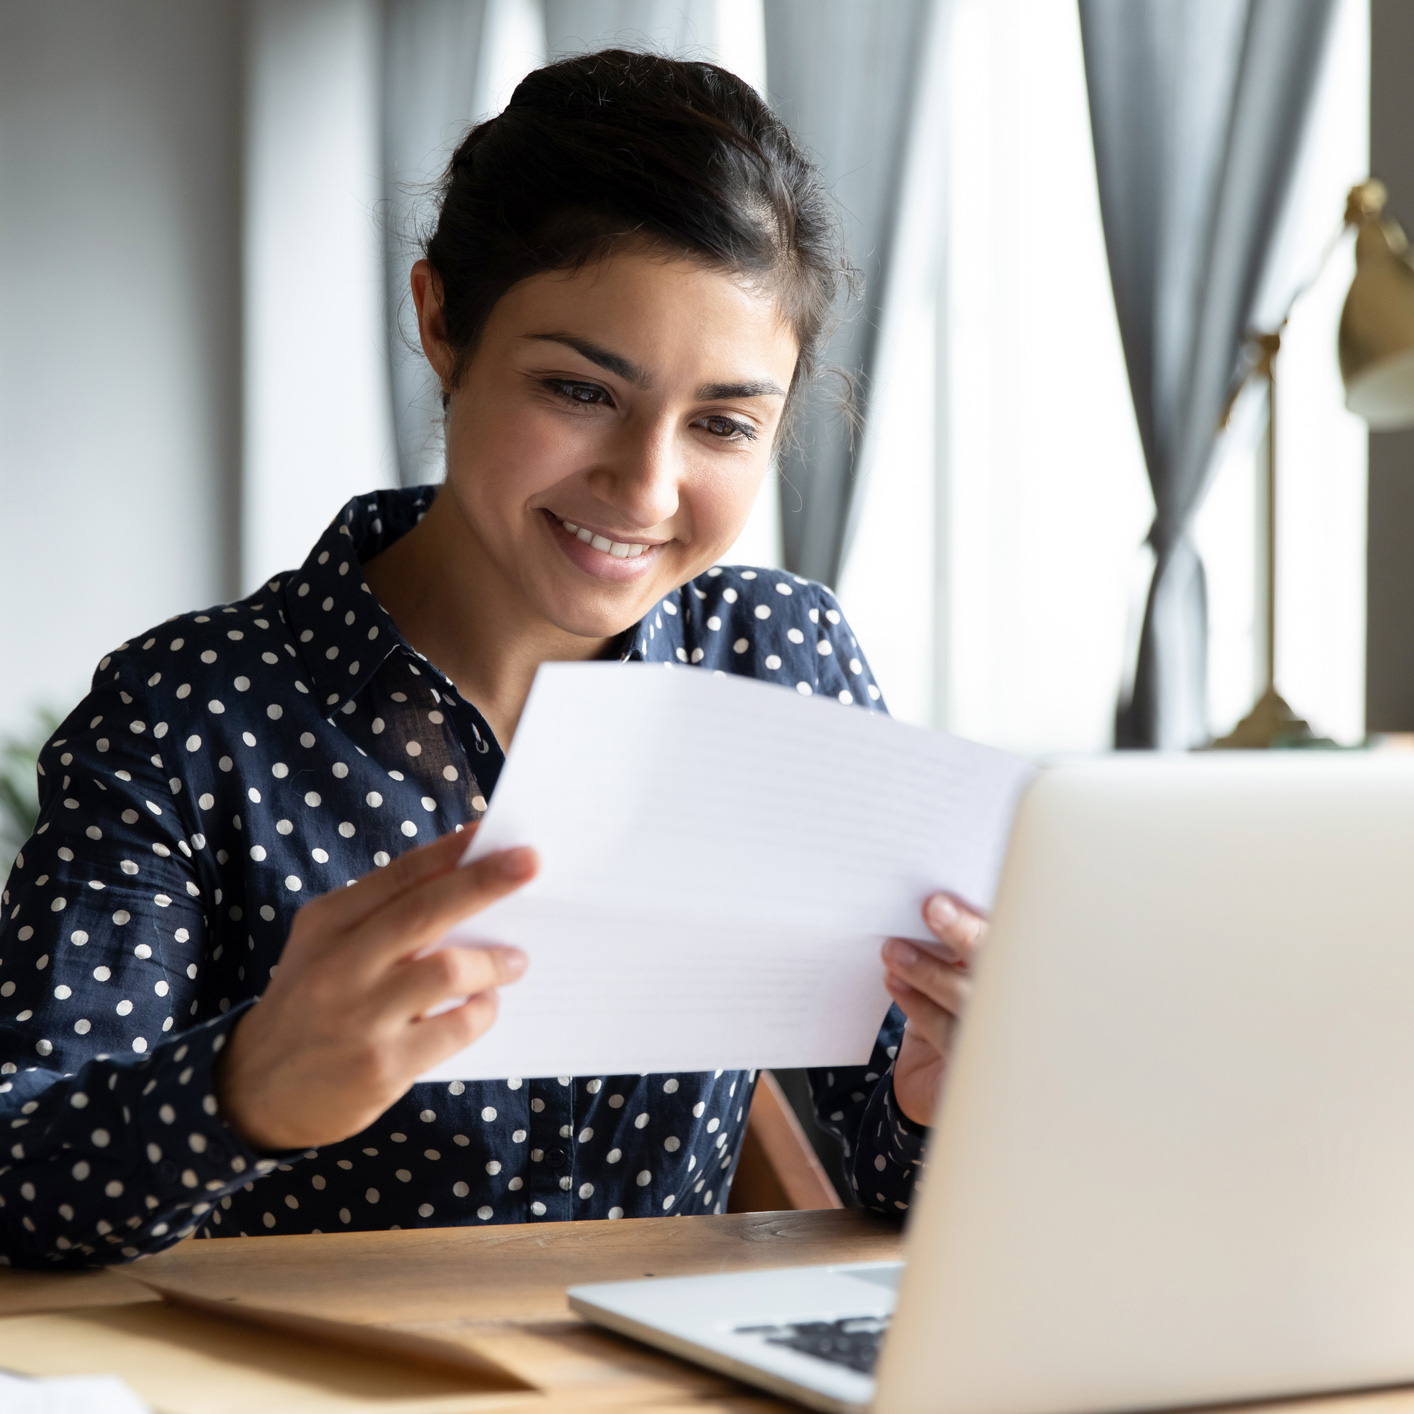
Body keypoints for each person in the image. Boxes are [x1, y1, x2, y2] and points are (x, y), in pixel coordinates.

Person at [0, 49, 983, 1267]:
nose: (646, 484)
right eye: (579, 388)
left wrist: (945, 1101)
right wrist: (238, 1091)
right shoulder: (189, 712)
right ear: (440, 326)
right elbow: (18, 1170)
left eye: (724, 422)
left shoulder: (779, 661)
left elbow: (892, 1171)